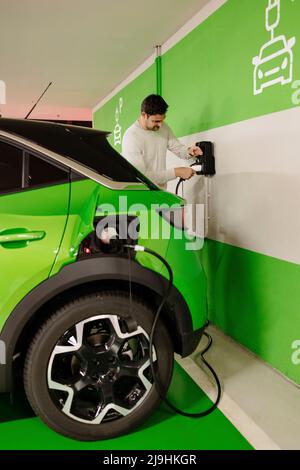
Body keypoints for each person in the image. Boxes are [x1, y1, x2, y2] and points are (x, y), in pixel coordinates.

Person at [122, 94, 203, 190]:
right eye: (156, 121)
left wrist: (189, 151)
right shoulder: (131, 136)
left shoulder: (163, 127)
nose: (160, 125)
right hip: (141, 195)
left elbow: (178, 148)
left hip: (160, 193)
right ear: (144, 115)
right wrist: (176, 172)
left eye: (162, 120)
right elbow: (141, 177)